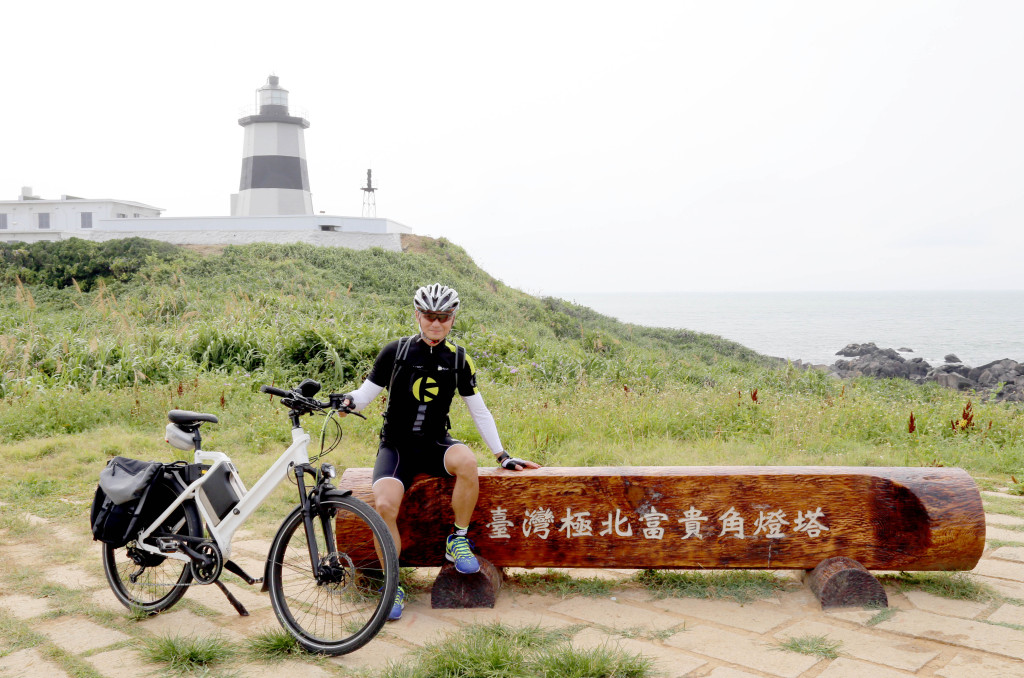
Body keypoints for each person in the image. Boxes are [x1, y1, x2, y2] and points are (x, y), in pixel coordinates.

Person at [341, 283, 539, 621]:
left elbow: (479, 410)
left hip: (434, 443)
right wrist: (346, 401)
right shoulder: (396, 352)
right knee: (385, 505)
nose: (436, 323)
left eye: (444, 317)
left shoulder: (459, 359)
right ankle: (392, 586)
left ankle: (457, 539)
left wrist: (502, 455)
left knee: (467, 461)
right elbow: (364, 395)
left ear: (452, 318)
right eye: (430, 316)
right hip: (397, 447)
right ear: (417, 315)